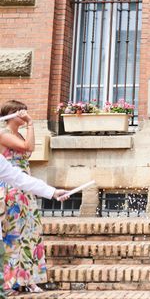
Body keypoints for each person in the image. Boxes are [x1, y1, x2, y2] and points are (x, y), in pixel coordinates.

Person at [0, 100, 53, 294]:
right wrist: (31, 123)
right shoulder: (3, 134)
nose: (25, 114)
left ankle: (29, 279)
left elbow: (28, 148)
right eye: (22, 111)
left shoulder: (18, 134)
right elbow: (27, 147)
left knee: (30, 233)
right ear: (12, 113)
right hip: (12, 188)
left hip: (25, 187)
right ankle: (11, 281)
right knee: (14, 235)